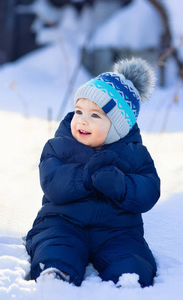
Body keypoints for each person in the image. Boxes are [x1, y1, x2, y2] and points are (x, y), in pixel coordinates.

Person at [25, 57, 160, 287]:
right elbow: (52, 183)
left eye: (95, 115)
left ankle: (128, 280)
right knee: (54, 244)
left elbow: (149, 190)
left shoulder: (134, 154)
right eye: (78, 111)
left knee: (131, 255)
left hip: (117, 229)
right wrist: (85, 178)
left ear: (118, 127)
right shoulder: (59, 146)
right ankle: (55, 274)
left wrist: (121, 185)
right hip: (63, 221)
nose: (82, 121)